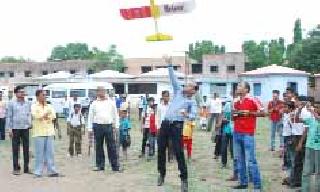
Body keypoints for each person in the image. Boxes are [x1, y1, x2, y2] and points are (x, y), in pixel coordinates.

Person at [157, 62, 196, 192]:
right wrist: (169, 64)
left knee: (179, 152)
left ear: (193, 91)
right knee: (161, 149)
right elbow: (173, 78)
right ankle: (161, 174)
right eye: (186, 85)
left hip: (177, 126)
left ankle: (184, 180)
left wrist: (187, 114)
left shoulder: (191, 101)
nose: (186, 86)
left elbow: (193, 115)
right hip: (165, 123)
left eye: (189, 86)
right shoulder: (178, 91)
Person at [232, 82, 264, 190]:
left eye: (240, 86)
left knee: (251, 160)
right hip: (236, 132)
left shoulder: (253, 99)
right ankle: (243, 182)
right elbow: (233, 115)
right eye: (238, 86)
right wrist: (235, 114)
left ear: (246, 89)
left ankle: (257, 185)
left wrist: (249, 113)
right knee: (239, 159)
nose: (238, 87)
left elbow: (263, 113)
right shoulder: (235, 101)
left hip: (248, 134)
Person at [87, 86, 120, 172]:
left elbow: (115, 115)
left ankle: (115, 166)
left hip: (108, 126)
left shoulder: (111, 102)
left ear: (105, 91)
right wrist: (90, 128)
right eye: (99, 91)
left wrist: (116, 126)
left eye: (102, 91)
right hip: (97, 126)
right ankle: (100, 165)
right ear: (97, 92)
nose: (100, 93)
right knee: (98, 146)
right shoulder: (94, 103)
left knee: (111, 147)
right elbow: (90, 116)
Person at [32, 89, 60, 177]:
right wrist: (45, 115)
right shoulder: (34, 106)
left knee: (50, 153)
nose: (45, 96)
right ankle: (38, 172)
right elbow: (36, 116)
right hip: (39, 132)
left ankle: (52, 171)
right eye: (43, 95)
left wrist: (45, 115)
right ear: (38, 96)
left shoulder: (49, 106)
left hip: (49, 131)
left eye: (45, 95)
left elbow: (53, 116)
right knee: (39, 153)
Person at [6, 86, 32, 175]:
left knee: (26, 148)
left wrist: (30, 123)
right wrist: (9, 129)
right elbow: (9, 116)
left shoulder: (28, 103)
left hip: (25, 128)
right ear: (16, 93)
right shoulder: (11, 103)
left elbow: (29, 114)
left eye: (23, 92)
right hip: (15, 129)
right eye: (21, 92)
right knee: (15, 149)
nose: (22, 93)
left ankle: (26, 168)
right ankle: (16, 168)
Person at [298, 105, 320, 192]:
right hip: (309, 146)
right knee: (306, 170)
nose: (316, 109)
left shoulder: (315, 116)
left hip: (318, 148)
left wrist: (312, 112)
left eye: (318, 107)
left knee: (318, 171)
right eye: (315, 107)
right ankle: (305, 189)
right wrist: (299, 110)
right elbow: (298, 121)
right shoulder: (311, 118)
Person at [157, 90, 174, 162]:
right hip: (162, 126)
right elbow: (158, 117)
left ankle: (170, 157)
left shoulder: (171, 105)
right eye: (165, 96)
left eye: (167, 96)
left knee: (171, 142)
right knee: (163, 143)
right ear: (162, 97)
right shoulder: (160, 106)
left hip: (170, 125)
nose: (166, 97)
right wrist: (158, 127)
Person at [183, 95, 197, 161]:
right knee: (181, 141)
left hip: (188, 124)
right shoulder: (181, 100)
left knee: (189, 141)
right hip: (181, 123)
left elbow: (194, 115)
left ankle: (189, 156)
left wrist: (187, 115)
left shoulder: (193, 102)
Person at [221, 99, 233, 168]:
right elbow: (222, 119)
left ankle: (235, 163)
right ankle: (223, 163)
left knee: (233, 148)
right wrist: (224, 120)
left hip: (233, 132)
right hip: (225, 131)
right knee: (223, 148)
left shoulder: (235, 111)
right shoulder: (225, 109)